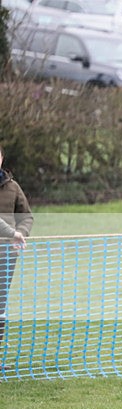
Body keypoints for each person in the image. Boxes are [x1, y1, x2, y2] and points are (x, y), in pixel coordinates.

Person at [0, 145, 33, 348]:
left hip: (6, 256)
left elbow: (26, 216)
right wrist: (13, 233)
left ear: (2, 158)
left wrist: (20, 235)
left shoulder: (13, 187)